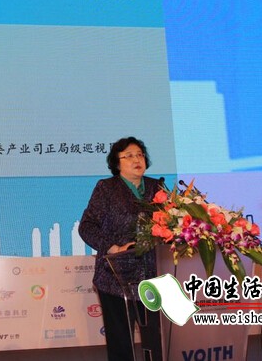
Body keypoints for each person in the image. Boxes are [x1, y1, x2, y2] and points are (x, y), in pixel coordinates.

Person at [79, 136, 162, 361]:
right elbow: (87, 226)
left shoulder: (157, 187)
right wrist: (112, 247)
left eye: (140, 155)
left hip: (153, 276)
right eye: (129, 156)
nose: (137, 159)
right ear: (117, 163)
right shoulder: (106, 188)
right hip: (116, 277)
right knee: (121, 345)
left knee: (157, 341)